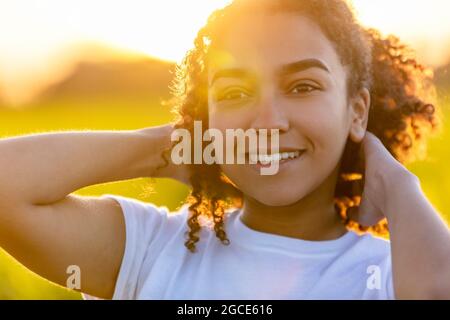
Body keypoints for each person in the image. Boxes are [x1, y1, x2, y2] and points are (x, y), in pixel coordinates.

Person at [0, 0, 448, 300]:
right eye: (235, 94)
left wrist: (396, 185)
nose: (269, 121)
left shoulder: (389, 274)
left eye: (303, 86)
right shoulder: (153, 250)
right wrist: (165, 148)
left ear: (357, 111)